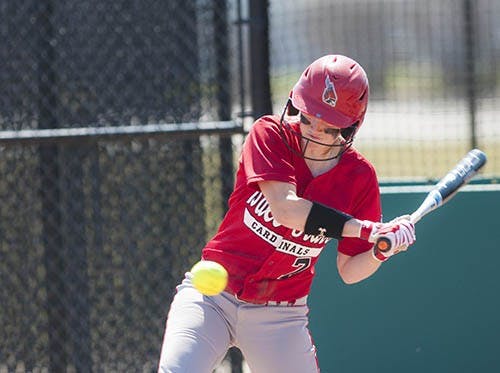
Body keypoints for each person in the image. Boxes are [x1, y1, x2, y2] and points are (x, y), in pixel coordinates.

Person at [158, 54, 416, 373]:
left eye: (325, 127)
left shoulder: (359, 177)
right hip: (212, 297)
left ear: (348, 129)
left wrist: (380, 250)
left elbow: (350, 270)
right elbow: (285, 209)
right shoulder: (270, 134)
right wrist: (366, 230)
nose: (309, 131)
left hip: (280, 315)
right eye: (305, 116)